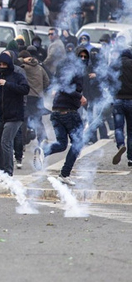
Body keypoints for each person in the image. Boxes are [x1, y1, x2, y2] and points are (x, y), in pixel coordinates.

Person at [32, 48, 88, 186]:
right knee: (78, 143)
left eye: (84, 57)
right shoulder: (74, 70)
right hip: (68, 113)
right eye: (79, 56)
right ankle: (65, 173)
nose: (82, 59)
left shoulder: (65, 69)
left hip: (57, 112)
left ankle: (43, 151)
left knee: (62, 144)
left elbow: (57, 86)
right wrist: (79, 96)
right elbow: (64, 87)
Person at [0, 52, 30, 176]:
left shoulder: (17, 76)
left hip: (15, 116)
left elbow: (25, 89)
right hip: (2, 116)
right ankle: (1, 166)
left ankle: (8, 172)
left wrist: (8, 84)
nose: (2, 66)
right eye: (0, 64)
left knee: (6, 142)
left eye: (5, 64)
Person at [112, 44, 132, 167]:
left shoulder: (114, 65)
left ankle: (120, 145)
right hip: (131, 100)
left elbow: (107, 79)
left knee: (119, 128)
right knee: (131, 131)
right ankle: (131, 159)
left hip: (118, 100)